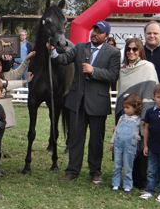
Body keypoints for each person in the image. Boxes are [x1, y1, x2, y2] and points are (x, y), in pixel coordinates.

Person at [50, 20, 121, 184]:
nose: (95, 33)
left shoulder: (113, 53)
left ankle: (95, 171)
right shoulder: (80, 47)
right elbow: (63, 59)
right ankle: (72, 170)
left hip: (98, 103)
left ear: (106, 36)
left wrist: (93, 71)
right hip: (77, 101)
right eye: (93, 30)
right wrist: (53, 52)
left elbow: (112, 76)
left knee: (96, 140)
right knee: (75, 138)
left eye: (99, 32)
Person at [115, 37, 158, 190]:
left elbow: (149, 92)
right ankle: (128, 178)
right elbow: (122, 94)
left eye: (135, 49)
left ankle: (143, 181)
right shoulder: (123, 70)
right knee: (126, 145)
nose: (131, 52)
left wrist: (145, 117)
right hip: (125, 115)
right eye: (128, 49)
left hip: (141, 116)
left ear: (140, 50)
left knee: (141, 146)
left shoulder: (148, 67)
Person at [108, 94, 142, 193]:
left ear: (135, 108)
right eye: (124, 107)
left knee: (128, 166)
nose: (125, 110)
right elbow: (117, 130)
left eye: (128, 107)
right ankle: (115, 183)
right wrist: (112, 142)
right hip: (118, 144)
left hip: (130, 146)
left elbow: (141, 133)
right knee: (117, 165)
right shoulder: (122, 118)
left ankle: (127, 185)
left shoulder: (138, 120)